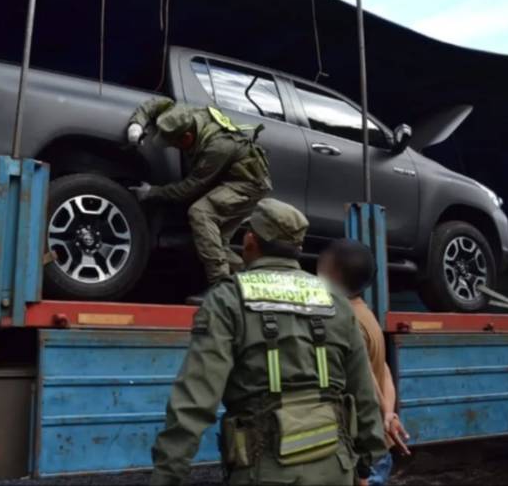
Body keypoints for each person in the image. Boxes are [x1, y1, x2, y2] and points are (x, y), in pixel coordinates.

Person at [150, 198, 387, 486]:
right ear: (298, 249)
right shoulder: (335, 300)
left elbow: (194, 399)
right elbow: (363, 390)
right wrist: (365, 462)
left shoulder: (229, 299)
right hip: (335, 467)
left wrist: (168, 474)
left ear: (250, 240)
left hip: (263, 470)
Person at [127, 97, 272, 289]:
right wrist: (136, 123)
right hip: (229, 177)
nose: (172, 147)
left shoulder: (217, 147)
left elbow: (189, 188)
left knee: (201, 213)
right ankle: (256, 284)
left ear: (187, 138)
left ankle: (219, 288)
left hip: (247, 184)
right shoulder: (184, 115)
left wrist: (151, 193)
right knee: (214, 242)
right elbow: (157, 104)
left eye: (173, 144)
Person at [318, 239, 411, 486]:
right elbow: (385, 372)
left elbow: (366, 381)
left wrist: (383, 416)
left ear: (333, 274)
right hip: (379, 441)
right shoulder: (366, 314)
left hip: (364, 447)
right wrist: (389, 414)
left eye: (321, 268)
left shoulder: (347, 320)